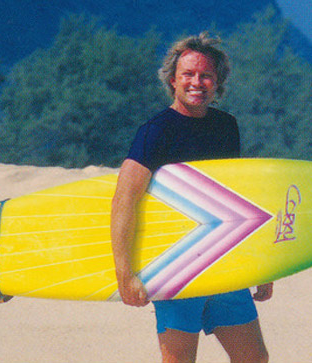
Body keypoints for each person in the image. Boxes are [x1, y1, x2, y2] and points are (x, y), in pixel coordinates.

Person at [110, 33, 272, 363]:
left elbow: (235, 201)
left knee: (254, 358)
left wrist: (261, 266)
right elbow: (125, 198)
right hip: (177, 264)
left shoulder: (226, 127)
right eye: (188, 74)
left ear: (217, 82)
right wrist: (125, 275)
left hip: (222, 262)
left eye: (206, 75)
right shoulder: (156, 131)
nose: (196, 82)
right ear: (173, 80)